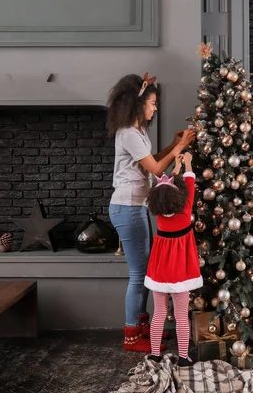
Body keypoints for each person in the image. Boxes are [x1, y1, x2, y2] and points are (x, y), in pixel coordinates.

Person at [107, 72, 195, 352]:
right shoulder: (128, 134)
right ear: (138, 103)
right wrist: (180, 148)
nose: (155, 108)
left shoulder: (139, 133)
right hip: (128, 207)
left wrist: (173, 144)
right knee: (139, 273)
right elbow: (158, 171)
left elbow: (152, 161)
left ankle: (145, 326)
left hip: (136, 206)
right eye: (153, 102)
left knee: (146, 272)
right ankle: (131, 335)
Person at [144, 152, 202, 366]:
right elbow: (189, 183)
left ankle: (155, 354)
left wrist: (174, 167)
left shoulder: (159, 215)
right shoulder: (185, 211)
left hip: (159, 271)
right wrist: (187, 163)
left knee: (158, 312)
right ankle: (184, 357)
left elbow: (166, 188)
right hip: (180, 272)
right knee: (181, 315)